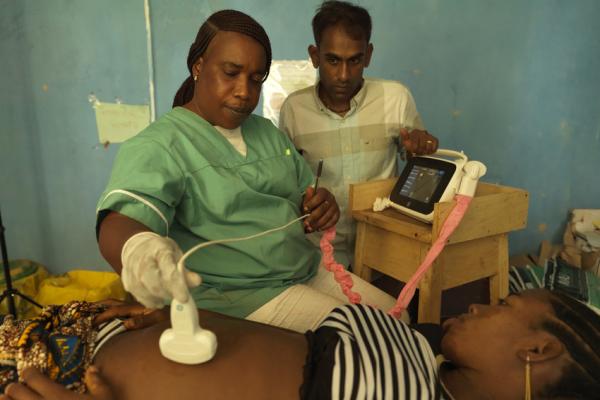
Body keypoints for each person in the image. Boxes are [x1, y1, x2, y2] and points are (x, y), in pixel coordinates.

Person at [95, 9, 399, 333]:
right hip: (239, 294)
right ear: (198, 66)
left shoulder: (267, 133)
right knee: (373, 337)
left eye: (256, 79)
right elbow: (120, 220)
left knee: (399, 319)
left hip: (307, 269)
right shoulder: (163, 144)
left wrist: (320, 204)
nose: (244, 91)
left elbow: (303, 195)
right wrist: (139, 249)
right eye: (231, 72)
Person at [1, 289, 599, 399]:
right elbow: (296, 347)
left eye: (503, 307)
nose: (478, 303)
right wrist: (180, 312)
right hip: (80, 333)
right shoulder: (426, 350)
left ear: (538, 352)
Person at [279, 1, 440, 266]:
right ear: (314, 55)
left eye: (354, 60)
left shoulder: (395, 98)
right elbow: (287, 185)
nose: (343, 75)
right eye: (332, 60)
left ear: (368, 55)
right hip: (319, 257)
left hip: (384, 251)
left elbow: (418, 167)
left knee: (390, 308)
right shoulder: (294, 109)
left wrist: (421, 150)